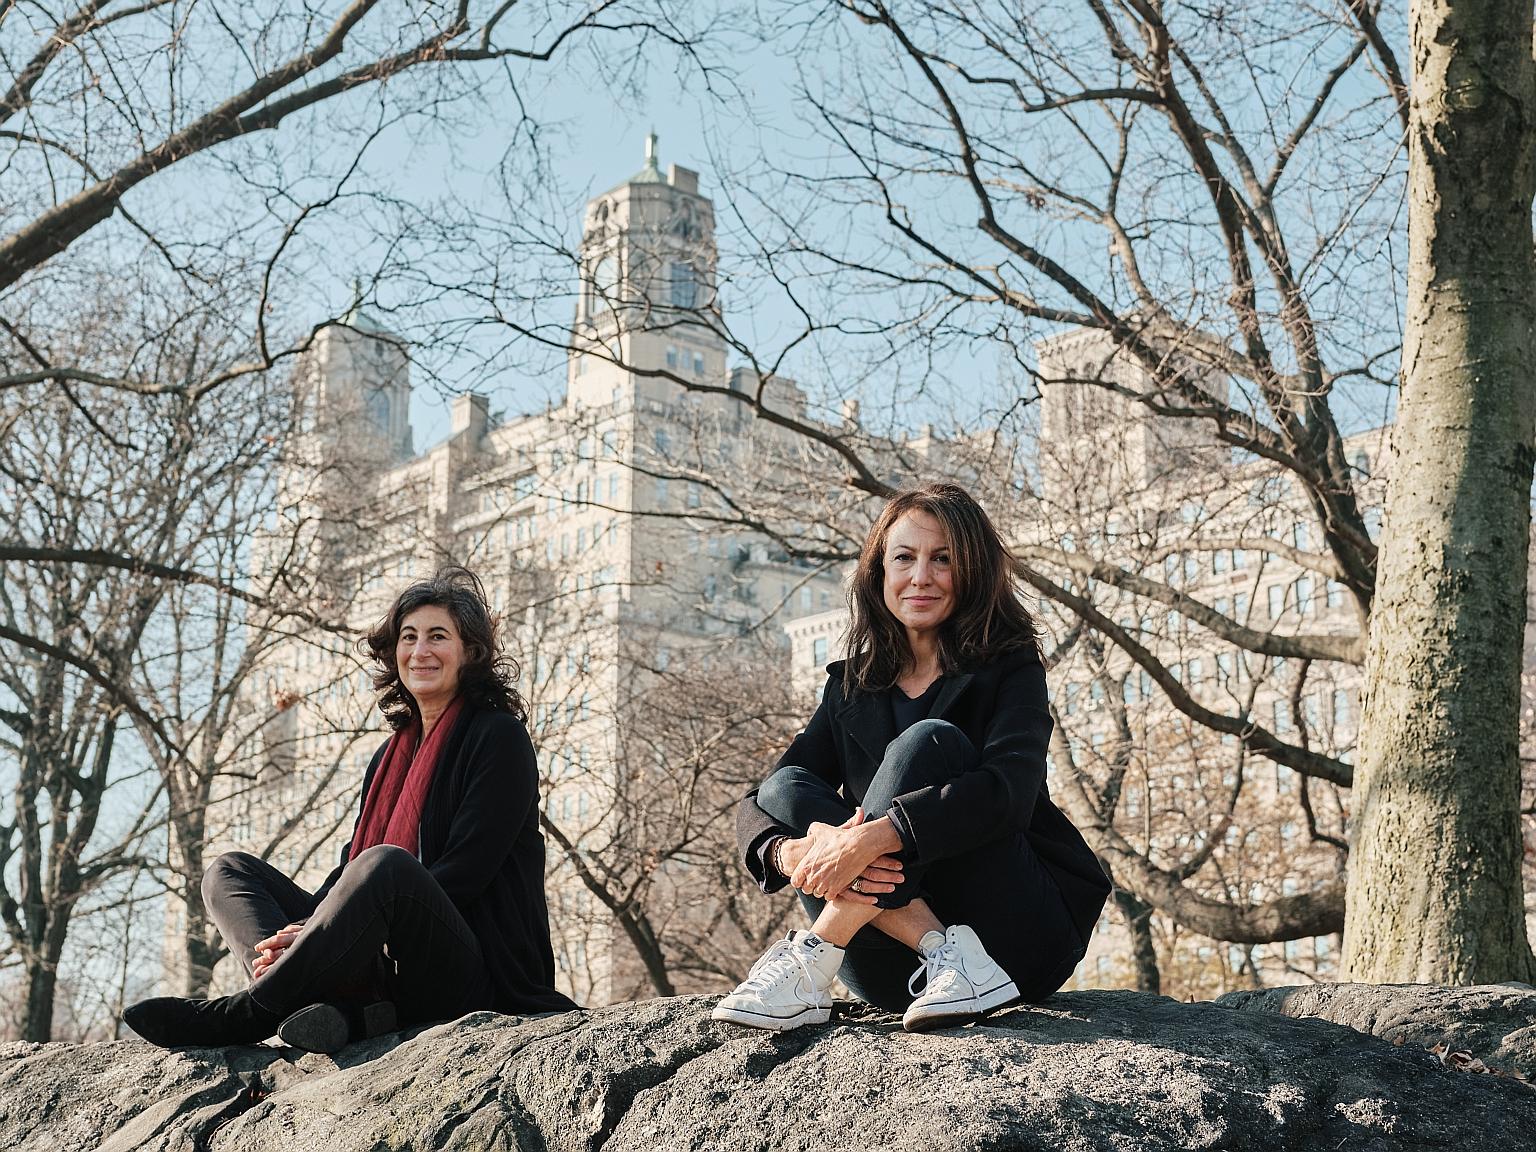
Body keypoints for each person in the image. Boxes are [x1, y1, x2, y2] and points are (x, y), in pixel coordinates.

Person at [125, 566, 576, 1051]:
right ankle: (330, 1010)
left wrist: (323, 930)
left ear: (470, 652)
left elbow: (467, 872)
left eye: (438, 637)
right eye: (408, 637)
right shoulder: (388, 758)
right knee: (229, 872)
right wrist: (313, 928)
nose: (420, 651)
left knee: (385, 865)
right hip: (386, 975)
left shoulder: (497, 738)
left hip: (475, 975)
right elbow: (346, 878)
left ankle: (252, 1010)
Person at [714, 483, 1110, 1033]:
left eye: (942, 559)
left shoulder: (1011, 668)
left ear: (972, 571)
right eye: (903, 558)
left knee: (929, 742)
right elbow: (764, 800)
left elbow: (1009, 794)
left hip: (1014, 939)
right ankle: (936, 944)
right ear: (879, 573)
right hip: (893, 969)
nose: (920, 576)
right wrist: (792, 854)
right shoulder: (852, 685)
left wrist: (871, 839)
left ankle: (814, 954)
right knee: (786, 787)